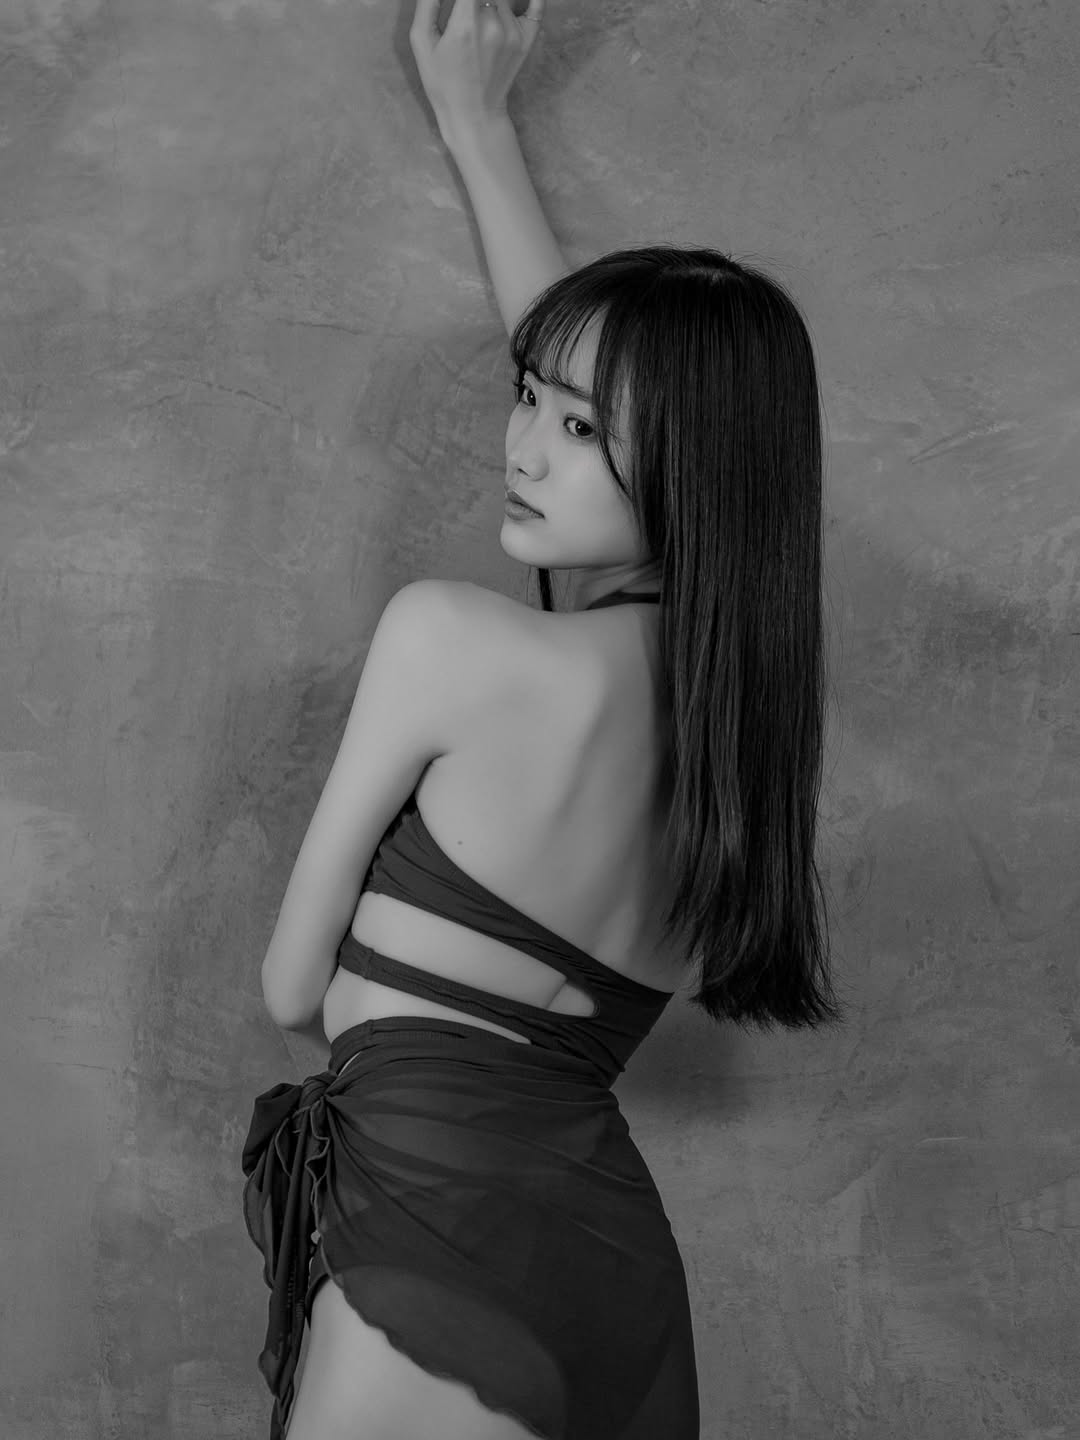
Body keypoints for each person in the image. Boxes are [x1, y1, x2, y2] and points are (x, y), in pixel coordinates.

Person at [241, 1, 844, 1436]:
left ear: (680, 467)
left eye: (575, 429)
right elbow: (617, 413)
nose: (523, 446)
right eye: (529, 397)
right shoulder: (738, 731)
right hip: (611, 1286)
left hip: (435, 1264)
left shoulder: (450, 642)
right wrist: (481, 129)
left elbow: (289, 987)